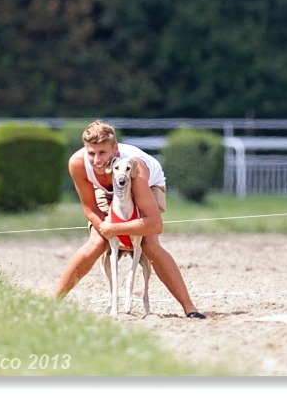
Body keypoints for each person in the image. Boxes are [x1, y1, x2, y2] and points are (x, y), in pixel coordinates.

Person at [53, 120, 206, 319]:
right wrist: (105, 228)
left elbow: (154, 224)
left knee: (149, 244)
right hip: (107, 189)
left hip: (145, 186)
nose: (97, 160)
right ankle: (52, 303)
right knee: (96, 243)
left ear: (115, 149)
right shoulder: (78, 164)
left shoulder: (136, 166)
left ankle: (189, 308)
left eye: (102, 153)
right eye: (91, 153)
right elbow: (90, 207)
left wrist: (115, 229)